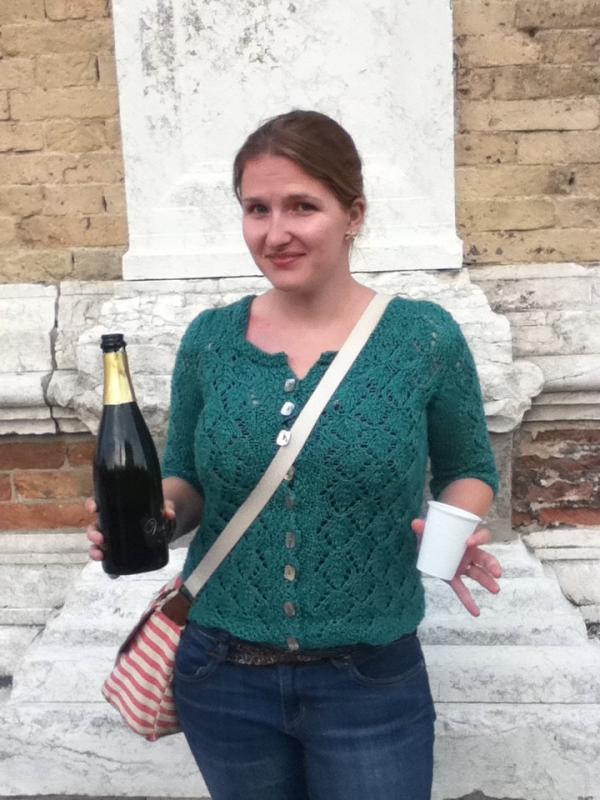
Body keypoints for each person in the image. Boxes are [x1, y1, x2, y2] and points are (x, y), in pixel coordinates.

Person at [87, 109, 502, 800]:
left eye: (302, 206)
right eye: (257, 209)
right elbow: (186, 478)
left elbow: (470, 470)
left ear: (353, 214)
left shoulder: (422, 338)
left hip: (369, 680)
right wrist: (155, 514)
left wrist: (454, 526)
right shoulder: (210, 341)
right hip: (220, 675)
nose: (275, 233)